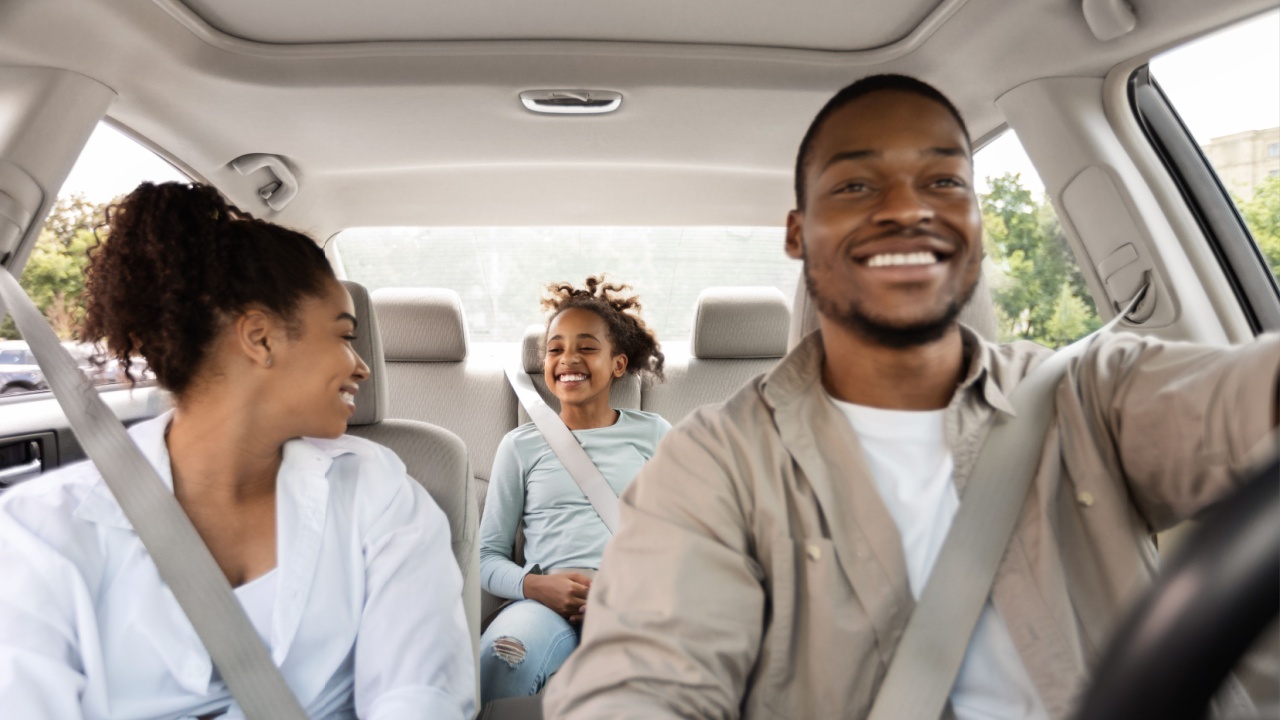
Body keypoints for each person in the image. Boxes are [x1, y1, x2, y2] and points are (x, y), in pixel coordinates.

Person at [543, 75, 1280, 719]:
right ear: (797, 234)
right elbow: (641, 674)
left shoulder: (1093, 393)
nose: (907, 209)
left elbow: (1243, 398)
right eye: (857, 185)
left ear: (977, 224)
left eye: (944, 182)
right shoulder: (712, 462)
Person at [0, 182, 475, 719]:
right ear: (260, 337)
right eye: (344, 336)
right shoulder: (40, 531)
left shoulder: (376, 491)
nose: (361, 365)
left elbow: (419, 697)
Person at [478, 276, 670, 704]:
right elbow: (484, 557)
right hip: (545, 604)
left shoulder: (655, 435)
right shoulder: (521, 445)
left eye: (586, 347)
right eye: (555, 348)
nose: (568, 358)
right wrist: (537, 587)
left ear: (618, 364)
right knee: (502, 656)